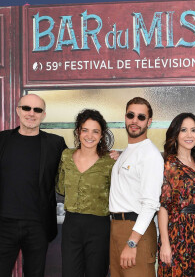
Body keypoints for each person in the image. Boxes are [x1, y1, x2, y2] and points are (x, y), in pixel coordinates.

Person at [0, 94, 67, 277]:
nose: (31, 113)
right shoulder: (2, 140)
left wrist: (109, 156)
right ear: (18, 111)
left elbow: (78, 164)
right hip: (3, 224)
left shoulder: (55, 143)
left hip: (38, 226)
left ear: (43, 114)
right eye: (26, 108)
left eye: (37, 110)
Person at [56, 109, 115, 277]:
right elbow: (61, 188)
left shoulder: (109, 162)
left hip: (99, 226)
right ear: (78, 132)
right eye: (85, 130)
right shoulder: (66, 156)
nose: (90, 135)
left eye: (95, 131)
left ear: (102, 135)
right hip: (71, 225)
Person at [109, 97, 164, 277]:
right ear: (125, 117)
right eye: (131, 115)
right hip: (116, 228)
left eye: (141, 117)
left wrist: (132, 242)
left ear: (149, 122)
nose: (135, 121)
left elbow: (151, 204)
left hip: (136, 231)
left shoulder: (150, 155)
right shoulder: (129, 151)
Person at [157, 113, 195, 277]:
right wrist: (165, 243)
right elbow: (163, 207)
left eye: (193, 130)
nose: (189, 135)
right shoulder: (169, 165)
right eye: (184, 130)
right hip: (177, 235)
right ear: (176, 134)